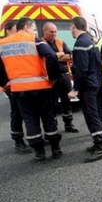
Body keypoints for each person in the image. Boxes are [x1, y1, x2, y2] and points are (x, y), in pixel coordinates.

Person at [0, 17, 62, 161]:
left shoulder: (2, 44)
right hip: (41, 87)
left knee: (30, 120)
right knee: (48, 118)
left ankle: (39, 153)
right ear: (27, 27)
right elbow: (51, 57)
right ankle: (56, 150)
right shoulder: (35, 40)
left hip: (19, 89)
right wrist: (52, 77)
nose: (35, 31)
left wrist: (4, 82)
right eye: (34, 28)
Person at [68, 16, 102, 162]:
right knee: (95, 114)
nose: (70, 30)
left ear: (73, 26)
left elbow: (81, 70)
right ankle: (98, 142)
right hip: (95, 83)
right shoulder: (90, 41)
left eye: (70, 28)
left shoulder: (80, 43)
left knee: (91, 116)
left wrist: (76, 89)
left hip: (87, 86)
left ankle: (100, 146)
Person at [1, 20, 33, 154]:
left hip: (24, 83)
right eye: (15, 29)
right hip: (12, 85)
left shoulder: (17, 43)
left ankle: (32, 137)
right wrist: (3, 82)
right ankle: (18, 140)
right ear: (8, 30)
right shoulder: (2, 44)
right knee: (17, 112)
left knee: (28, 112)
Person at [42, 22, 79, 133]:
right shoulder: (41, 43)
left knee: (66, 101)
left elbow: (70, 56)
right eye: (51, 31)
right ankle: (53, 126)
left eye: (55, 31)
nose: (54, 34)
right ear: (44, 31)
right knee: (51, 103)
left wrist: (53, 56)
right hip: (50, 77)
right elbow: (44, 58)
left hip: (64, 75)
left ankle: (68, 124)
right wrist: (60, 54)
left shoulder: (60, 42)